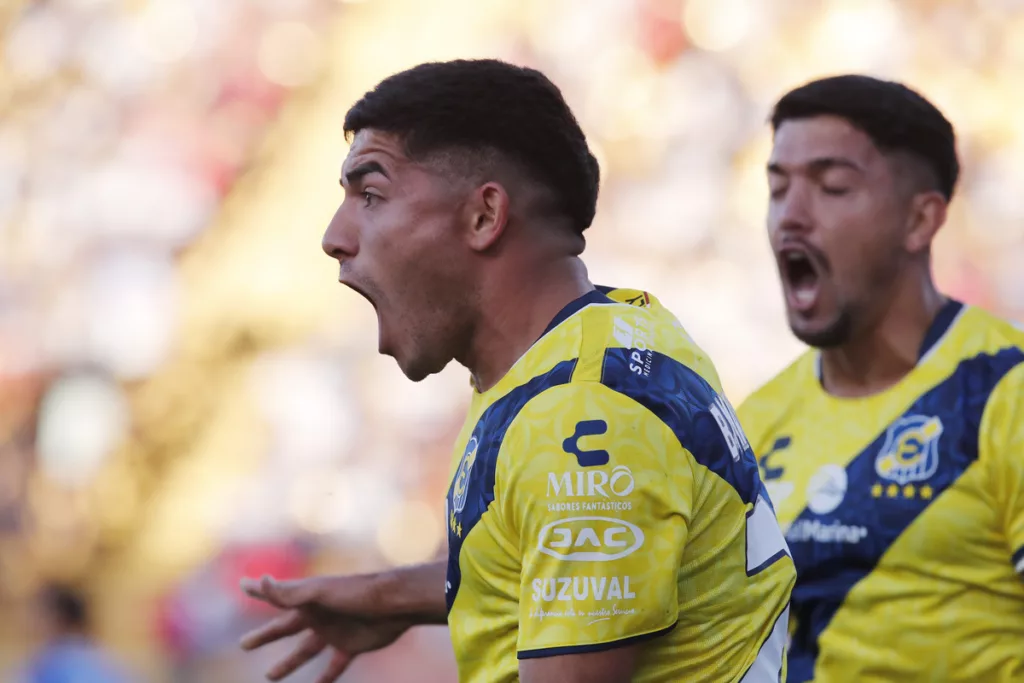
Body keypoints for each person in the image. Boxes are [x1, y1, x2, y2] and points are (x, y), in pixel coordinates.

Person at [239, 59, 794, 683]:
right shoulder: (612, 333)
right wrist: (396, 594)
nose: (335, 236)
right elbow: (567, 553)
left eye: (371, 195)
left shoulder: (579, 420)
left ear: (483, 217)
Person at [737, 74, 1024, 682]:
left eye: (831, 187)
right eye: (777, 188)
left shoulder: (1005, 390)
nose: (791, 216)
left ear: (921, 220)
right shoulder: (756, 422)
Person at [17, 584, 129, 683]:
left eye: (39, 615)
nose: (32, 623)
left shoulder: (52, 663)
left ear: (58, 618)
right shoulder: (107, 659)